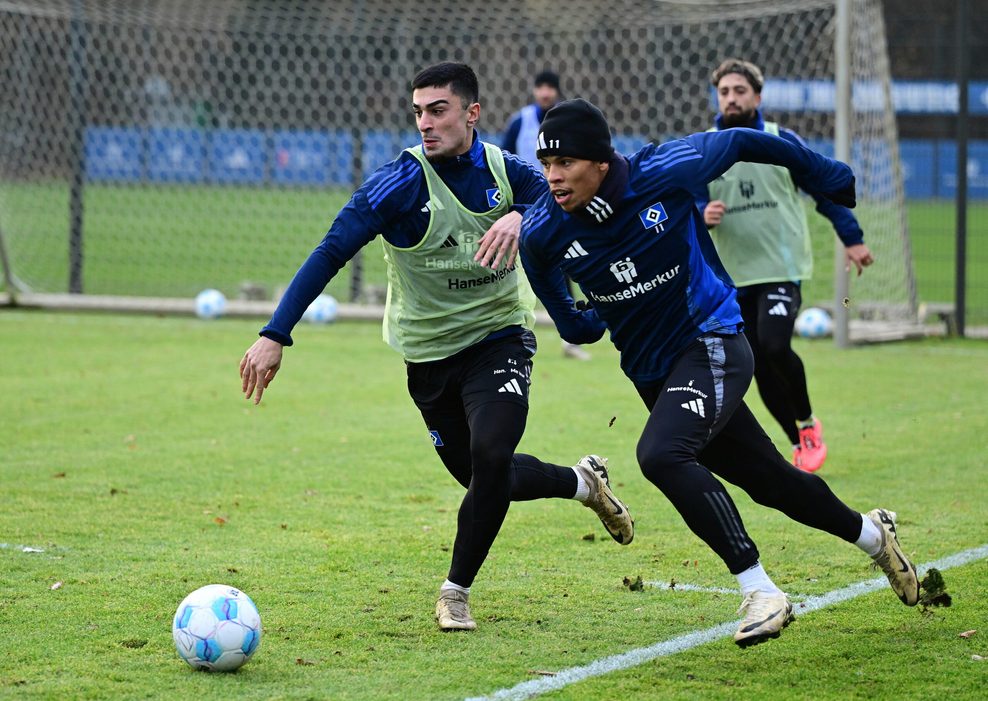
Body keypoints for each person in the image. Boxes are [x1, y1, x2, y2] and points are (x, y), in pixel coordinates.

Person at [239, 64, 634, 633]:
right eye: (418, 111)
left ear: (472, 113)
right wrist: (275, 333)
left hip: (499, 337)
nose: (425, 122)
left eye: (439, 110)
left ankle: (456, 592)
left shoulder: (510, 172)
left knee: (492, 455)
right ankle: (582, 483)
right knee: (483, 478)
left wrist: (524, 216)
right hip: (427, 357)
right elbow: (330, 250)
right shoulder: (397, 184)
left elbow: (564, 197)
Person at [512, 98, 919, 647]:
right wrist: (593, 314)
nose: (552, 177)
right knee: (771, 482)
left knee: (659, 455)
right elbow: (574, 326)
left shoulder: (663, 170)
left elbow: (745, 141)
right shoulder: (541, 235)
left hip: (715, 341)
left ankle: (760, 589)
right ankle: (875, 537)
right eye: (545, 165)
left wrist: (822, 172)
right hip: (654, 375)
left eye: (565, 164)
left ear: (601, 161)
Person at [696, 59, 875, 473]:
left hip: (780, 266)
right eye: (724, 92)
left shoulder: (780, 140)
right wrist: (702, 209)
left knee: (776, 345)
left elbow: (825, 191)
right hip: (731, 275)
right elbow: (683, 198)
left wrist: (853, 238)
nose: (731, 98)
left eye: (740, 90)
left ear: (757, 97)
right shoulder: (703, 146)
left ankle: (809, 423)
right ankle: (798, 442)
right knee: (755, 362)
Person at [502, 69, 591, 360]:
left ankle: (573, 336)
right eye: (540, 87)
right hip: (526, 210)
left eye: (549, 88)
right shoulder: (520, 122)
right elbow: (502, 160)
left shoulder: (567, 122)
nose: (544, 93)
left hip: (561, 205)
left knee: (567, 267)